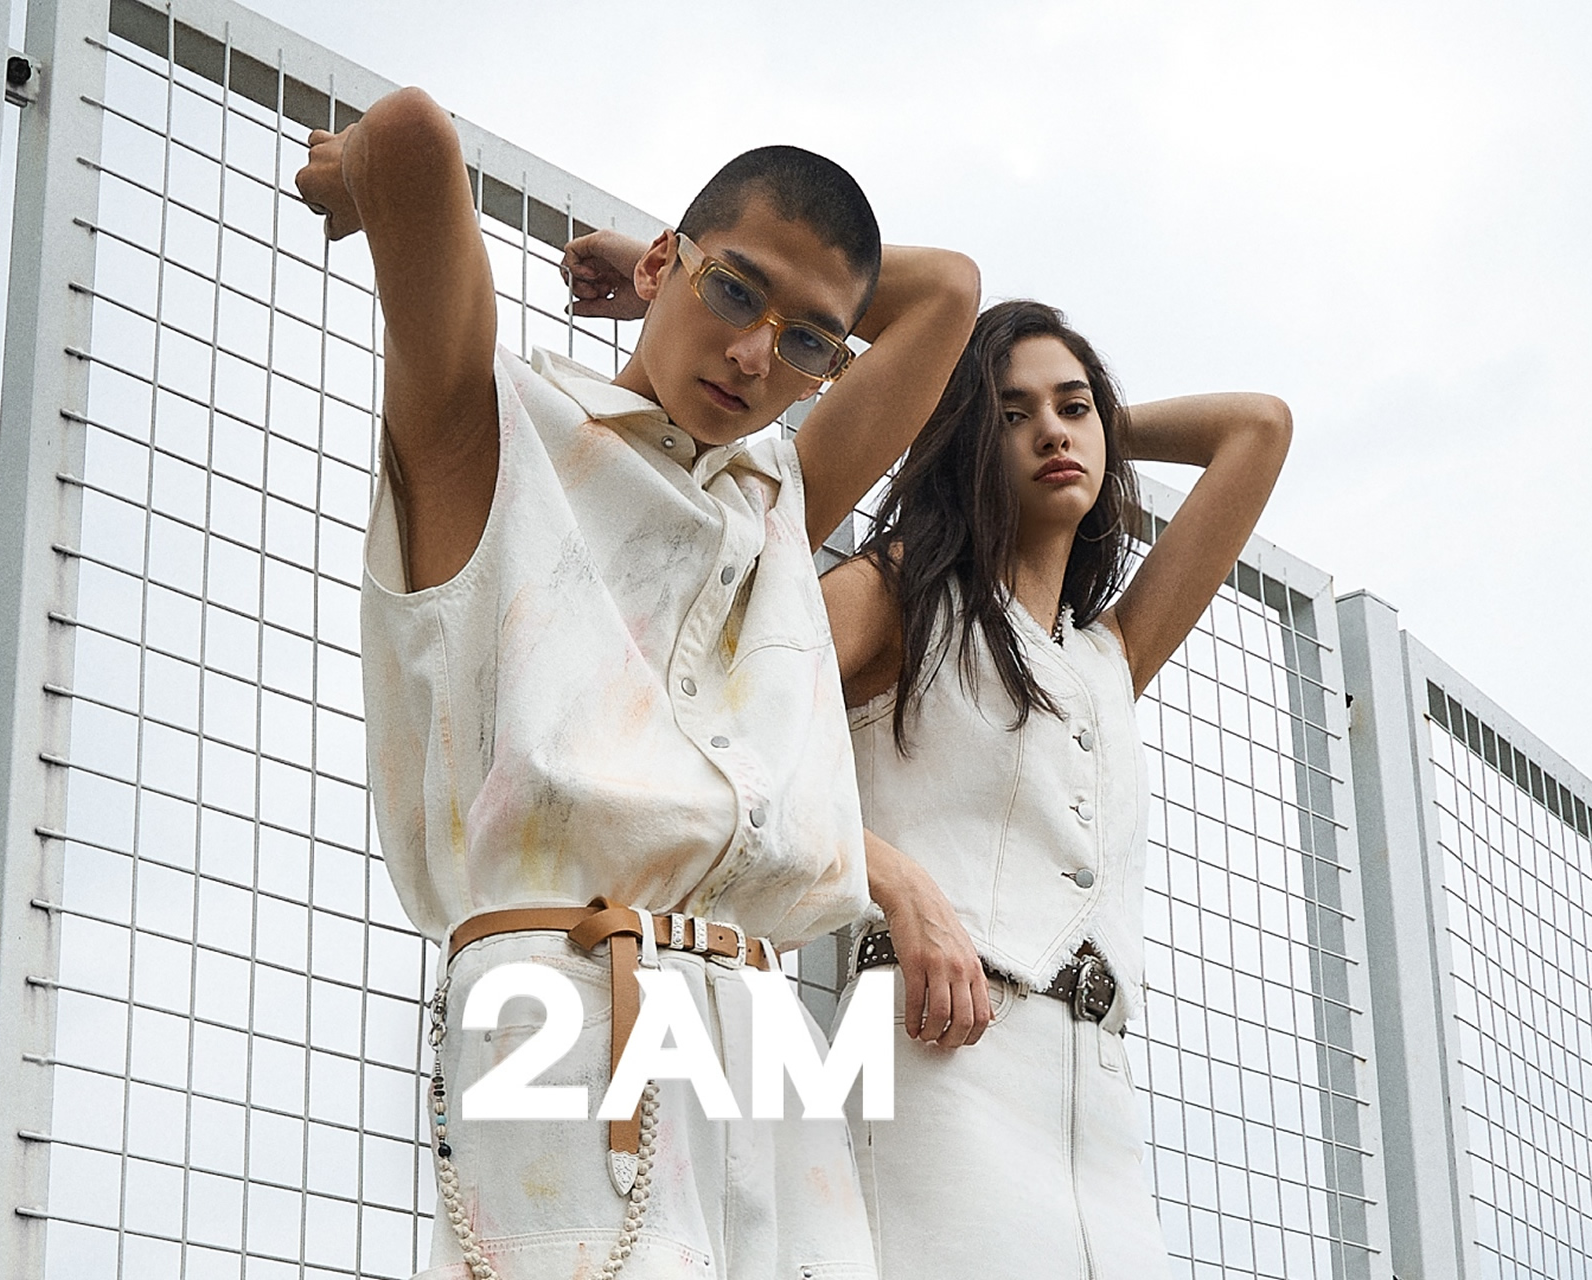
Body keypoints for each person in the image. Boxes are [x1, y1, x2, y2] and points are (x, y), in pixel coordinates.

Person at [294, 89, 979, 1280]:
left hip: (762, 1019)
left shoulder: (777, 496)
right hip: (562, 982)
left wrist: (697, 273)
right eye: (735, 293)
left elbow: (949, 296)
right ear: (666, 261)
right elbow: (413, 133)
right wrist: (358, 175)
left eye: (807, 342)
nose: (756, 354)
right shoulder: (500, 427)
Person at [821, 299, 1291, 1277]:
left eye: (1073, 408)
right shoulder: (897, 593)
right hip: (933, 1053)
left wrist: (1102, 421)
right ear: (965, 441)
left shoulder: (1109, 654)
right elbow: (725, 739)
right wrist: (895, 879)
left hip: (1098, 1097)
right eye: (1010, 414)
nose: (1052, 432)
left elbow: (1258, 428)